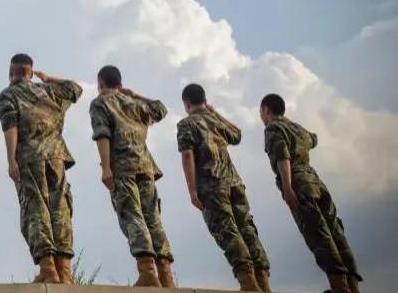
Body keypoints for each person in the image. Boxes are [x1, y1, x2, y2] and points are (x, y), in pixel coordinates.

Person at [259, 93, 361, 293]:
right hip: (318, 184)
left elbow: (282, 157)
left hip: (300, 185)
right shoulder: (296, 128)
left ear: (266, 110)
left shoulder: (273, 128)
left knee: (319, 237)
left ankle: (339, 287)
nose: (261, 117)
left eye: (261, 112)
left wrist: (288, 190)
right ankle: (353, 288)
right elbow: (313, 139)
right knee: (337, 235)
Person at [0, 54, 82, 285]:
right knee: (60, 209)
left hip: (29, 157)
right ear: (30, 72)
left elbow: (10, 127)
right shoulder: (51, 92)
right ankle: (64, 271)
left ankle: (48, 269)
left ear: (10, 73)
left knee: (35, 209)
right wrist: (48, 78)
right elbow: (76, 89)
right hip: (56, 157)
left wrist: (11, 160)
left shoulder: (8, 95)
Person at [177, 84, 270, 291]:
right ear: (205, 100)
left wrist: (192, 190)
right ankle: (263, 280)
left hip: (213, 185)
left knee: (227, 232)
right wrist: (214, 112)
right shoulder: (215, 121)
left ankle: (248, 282)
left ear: (187, 103)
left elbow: (187, 155)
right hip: (235, 184)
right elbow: (236, 134)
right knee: (247, 230)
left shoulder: (186, 124)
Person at [89, 65, 174, 288]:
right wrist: (135, 94)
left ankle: (147, 272)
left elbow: (103, 135)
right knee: (152, 218)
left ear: (100, 83)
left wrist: (106, 168)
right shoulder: (135, 104)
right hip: (145, 167)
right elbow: (161, 109)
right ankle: (166, 274)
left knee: (133, 216)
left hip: (123, 167)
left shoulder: (100, 103)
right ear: (120, 84)